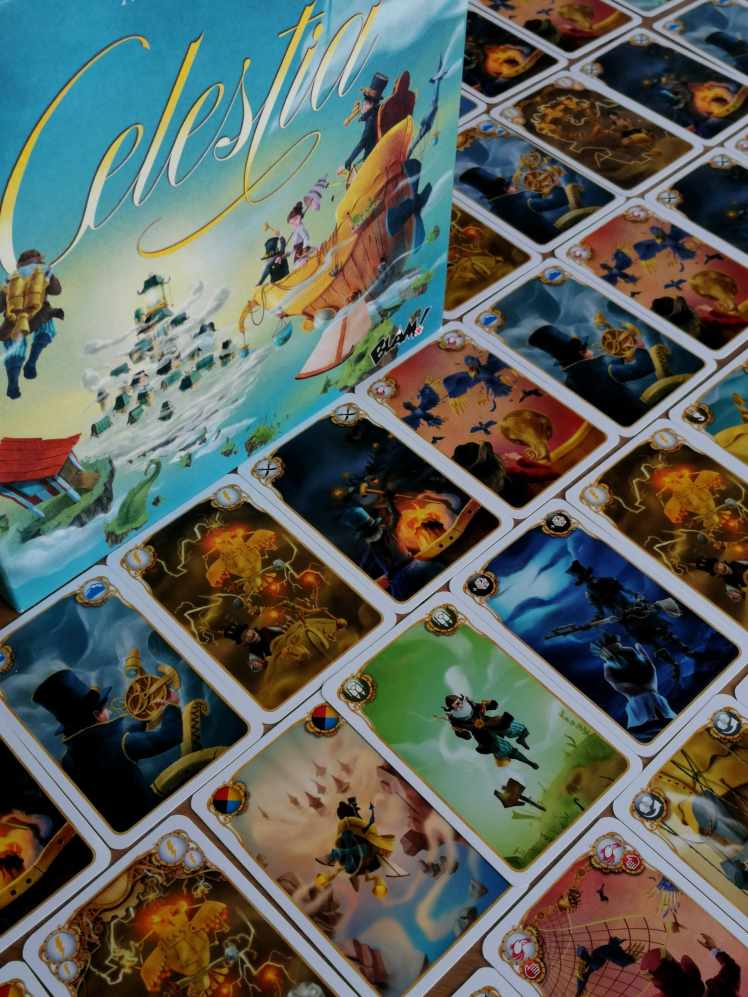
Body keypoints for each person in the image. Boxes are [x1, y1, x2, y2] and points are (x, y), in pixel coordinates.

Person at [32, 669, 182, 832]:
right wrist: (172, 706)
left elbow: (115, 750)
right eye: (104, 707)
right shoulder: (119, 744)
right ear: (97, 714)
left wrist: (144, 720)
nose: (109, 711)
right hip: (150, 818)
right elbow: (171, 736)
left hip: (117, 829)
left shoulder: (68, 761)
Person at [0, 249, 63, 400]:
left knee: (16, 348)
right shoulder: (42, 273)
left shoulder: (10, 280)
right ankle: (30, 364)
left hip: (15, 322)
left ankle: (15, 381)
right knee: (46, 329)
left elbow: (0, 305)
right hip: (36, 316)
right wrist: (49, 274)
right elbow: (56, 290)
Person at [443, 693, 538, 769]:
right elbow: (466, 736)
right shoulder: (455, 720)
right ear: (452, 707)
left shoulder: (470, 705)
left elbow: (486, 707)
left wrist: (490, 704)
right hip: (483, 735)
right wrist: (461, 732)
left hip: (490, 722)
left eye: (459, 701)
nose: (460, 705)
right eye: (456, 704)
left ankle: (521, 739)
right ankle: (529, 762)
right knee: (504, 749)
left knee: (514, 727)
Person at [639, 933, 741, 996]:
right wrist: (713, 949)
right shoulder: (723, 987)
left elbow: (732, 968)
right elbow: (732, 968)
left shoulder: (723, 985)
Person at [341, 72, 388, 175]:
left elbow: (362, 143)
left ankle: (353, 166)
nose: (364, 104)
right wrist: (350, 118)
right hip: (372, 149)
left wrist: (348, 161)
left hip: (373, 153)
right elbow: (359, 111)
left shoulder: (372, 117)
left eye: (367, 102)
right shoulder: (372, 111)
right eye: (365, 100)